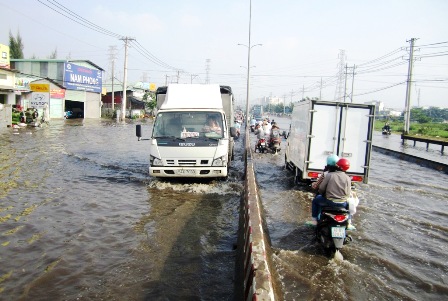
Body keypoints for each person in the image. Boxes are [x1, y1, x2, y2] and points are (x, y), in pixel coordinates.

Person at [306, 158, 352, 227]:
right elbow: (348, 193)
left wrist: (323, 194)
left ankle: (314, 220)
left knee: (315, 201)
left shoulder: (330, 175)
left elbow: (321, 189)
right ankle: (349, 222)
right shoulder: (348, 178)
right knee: (350, 205)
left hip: (330, 201)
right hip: (343, 204)